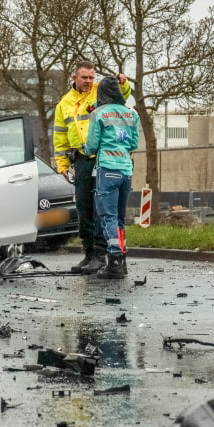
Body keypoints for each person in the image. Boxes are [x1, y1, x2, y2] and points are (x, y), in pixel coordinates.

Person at [52, 60, 131, 274]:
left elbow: (121, 96)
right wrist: (62, 164)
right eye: (84, 77)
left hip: (102, 159)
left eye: (91, 77)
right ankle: (88, 253)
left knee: (101, 209)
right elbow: (60, 136)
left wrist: (123, 83)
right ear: (74, 78)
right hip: (81, 160)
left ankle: (100, 253)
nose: (88, 81)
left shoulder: (100, 93)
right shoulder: (64, 103)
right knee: (84, 207)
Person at [83, 75, 139, 279]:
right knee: (120, 219)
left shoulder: (99, 113)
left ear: (102, 93)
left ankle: (114, 261)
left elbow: (92, 145)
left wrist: (86, 150)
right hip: (126, 170)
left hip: (107, 169)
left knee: (108, 217)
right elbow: (134, 144)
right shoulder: (132, 114)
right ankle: (122, 260)